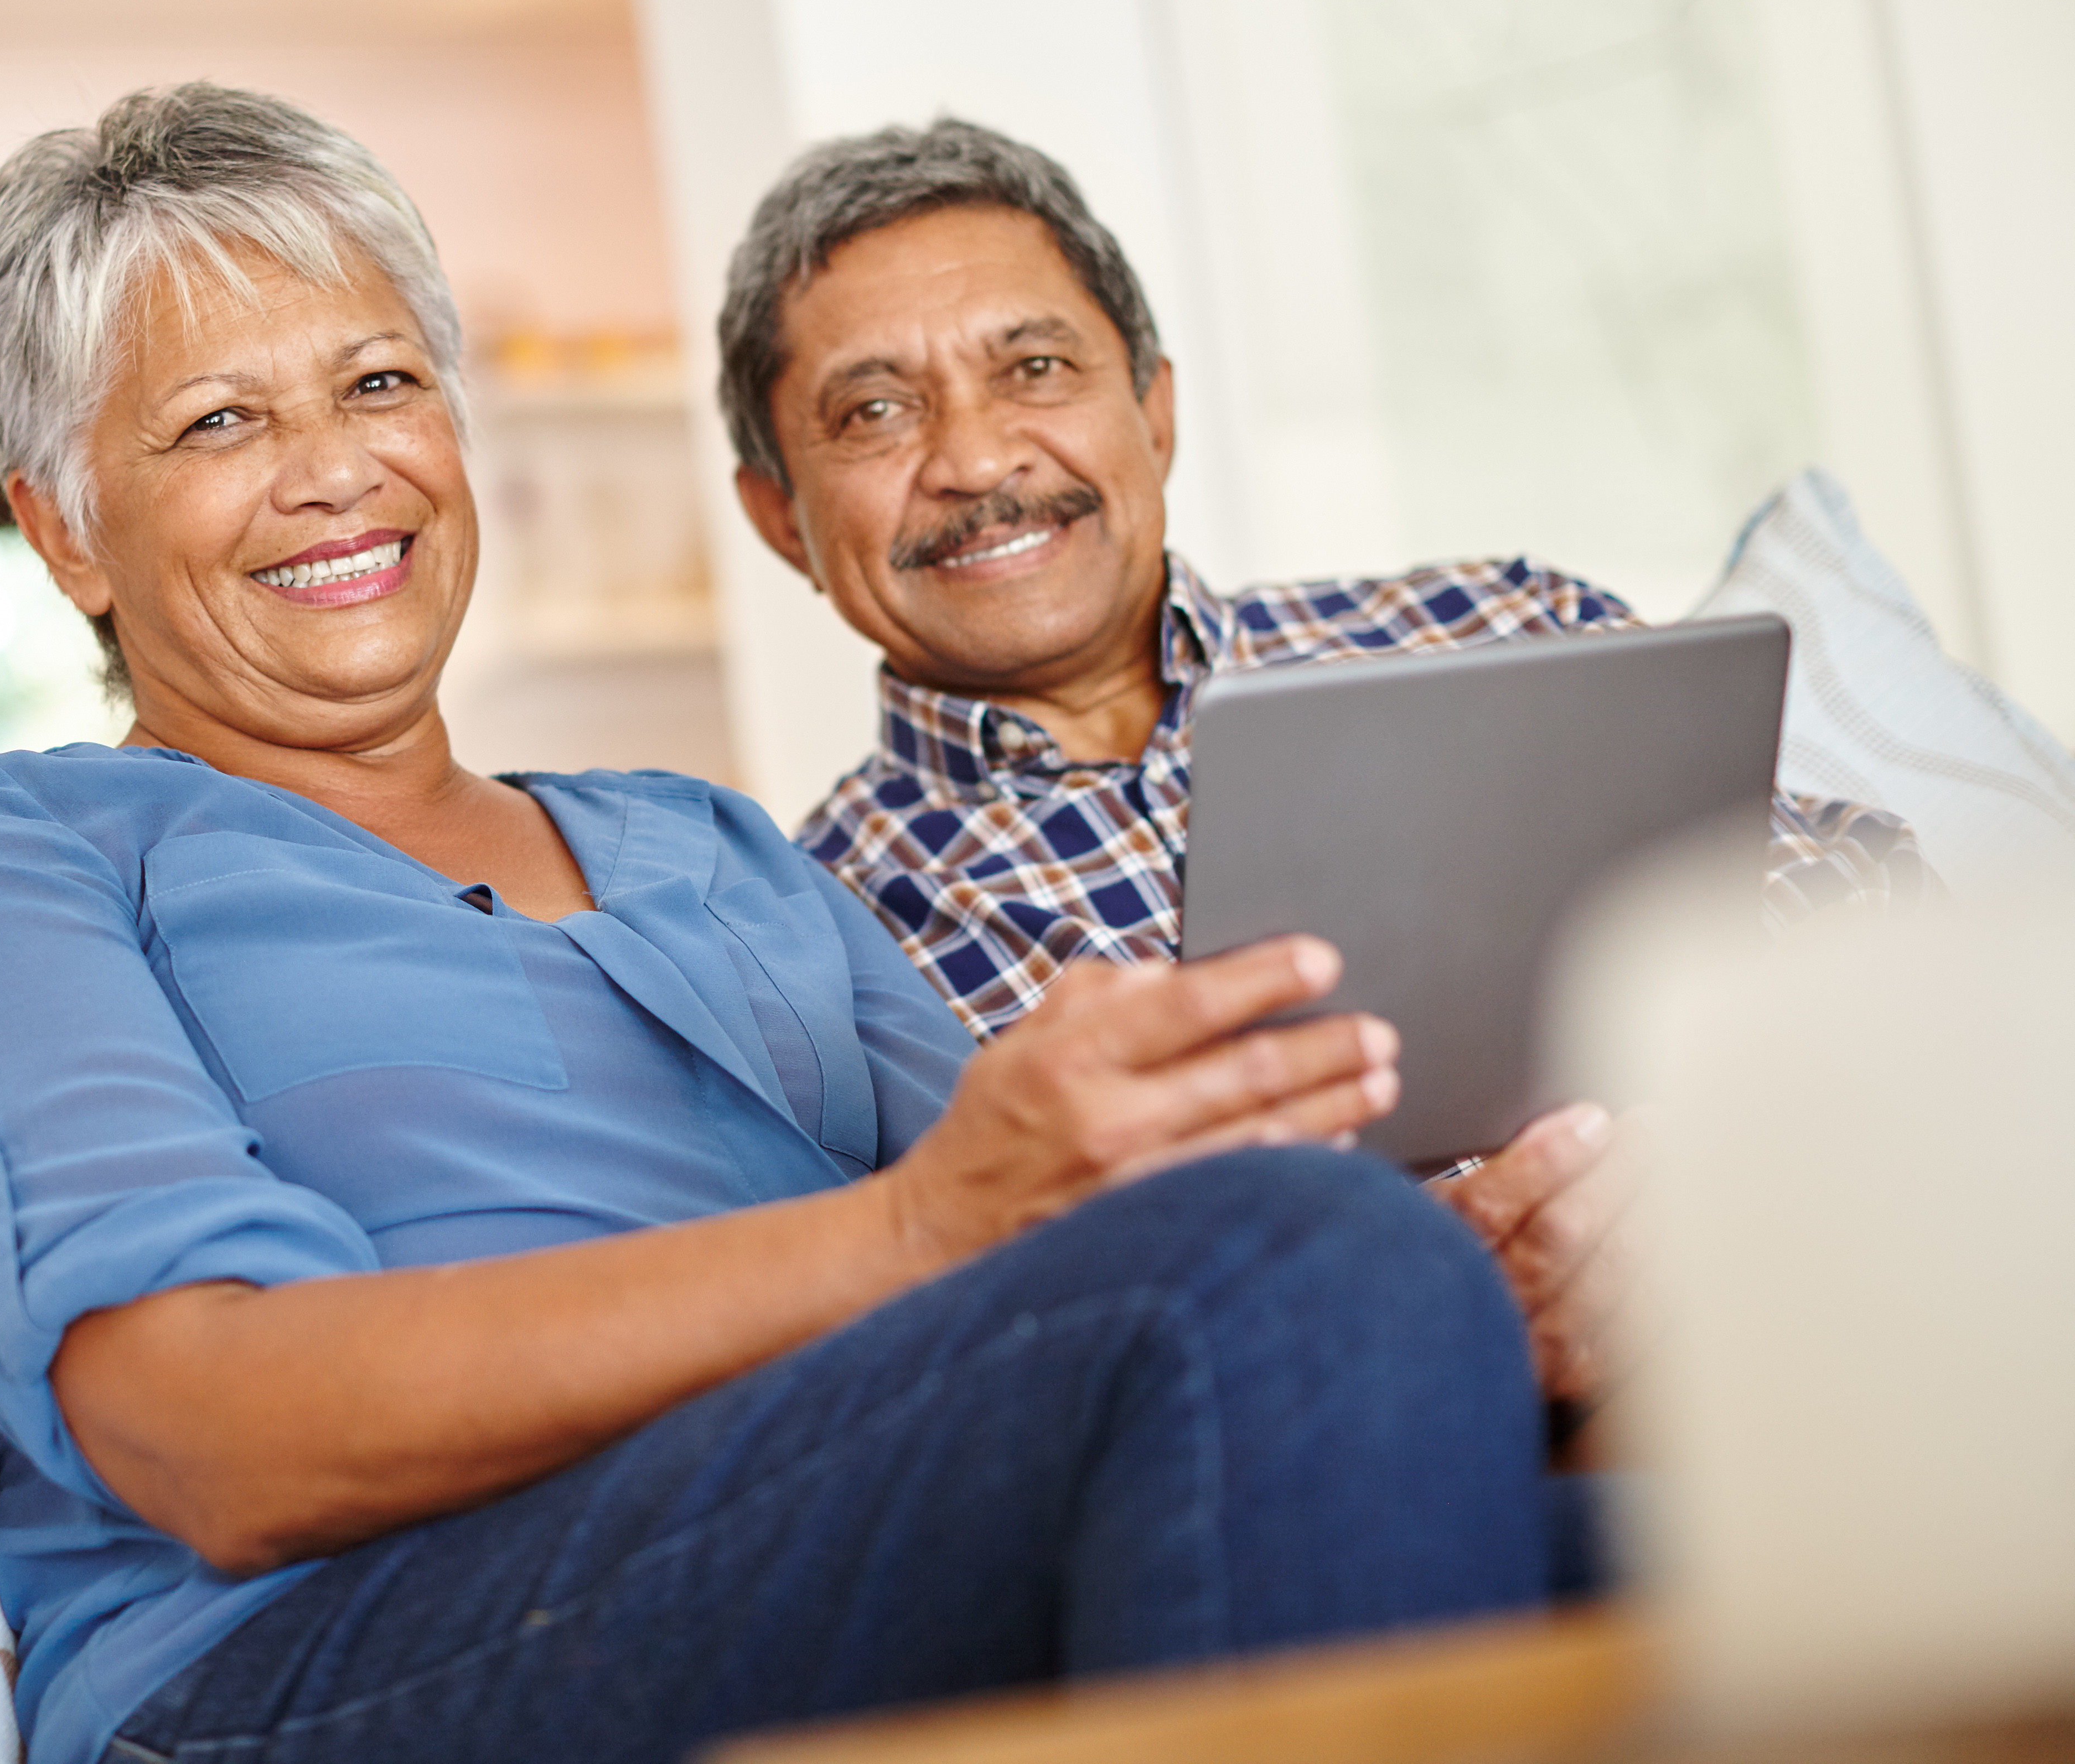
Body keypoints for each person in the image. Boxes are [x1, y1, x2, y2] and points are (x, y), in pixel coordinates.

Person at [0, 85, 1562, 1764]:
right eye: (219, 422)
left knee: (1591, 1517)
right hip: (303, 1663)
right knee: (1296, 1266)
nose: (334, 471)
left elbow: (1074, 1266)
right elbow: (213, 1432)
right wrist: (920, 1232)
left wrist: (1476, 1285)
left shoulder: (705, 847)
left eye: (380, 382)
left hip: (801, 1534)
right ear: (66, 530)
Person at [716, 117, 1921, 1410]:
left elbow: (1873, 896)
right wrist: (1425, 1295)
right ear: (780, 514)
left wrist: (1662, 1165)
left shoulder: (1493, 627)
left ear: (1154, 412)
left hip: (1804, 1312)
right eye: (877, 410)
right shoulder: (802, 942)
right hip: (1368, 1452)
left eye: (1038, 368)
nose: (977, 459)